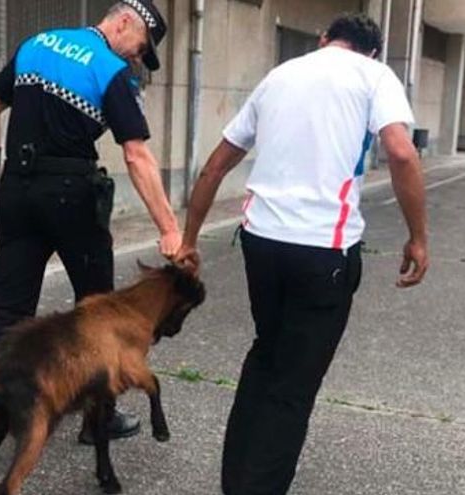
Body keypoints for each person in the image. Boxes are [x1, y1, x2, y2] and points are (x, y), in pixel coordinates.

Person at [175, 13, 429, 495]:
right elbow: (400, 151)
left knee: (266, 354)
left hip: (261, 243)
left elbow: (214, 166)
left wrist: (189, 239)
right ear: (371, 51)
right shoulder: (375, 75)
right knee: (293, 384)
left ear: (323, 39)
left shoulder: (279, 76)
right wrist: (418, 237)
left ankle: (236, 481)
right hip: (323, 252)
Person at [0, 0, 181, 487]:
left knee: (9, 314)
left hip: (16, 190)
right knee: (99, 311)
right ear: (125, 22)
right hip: (71, 196)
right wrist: (170, 227)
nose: (137, 58)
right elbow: (136, 154)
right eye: (141, 48)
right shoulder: (110, 70)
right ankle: (99, 421)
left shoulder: (35, 45)